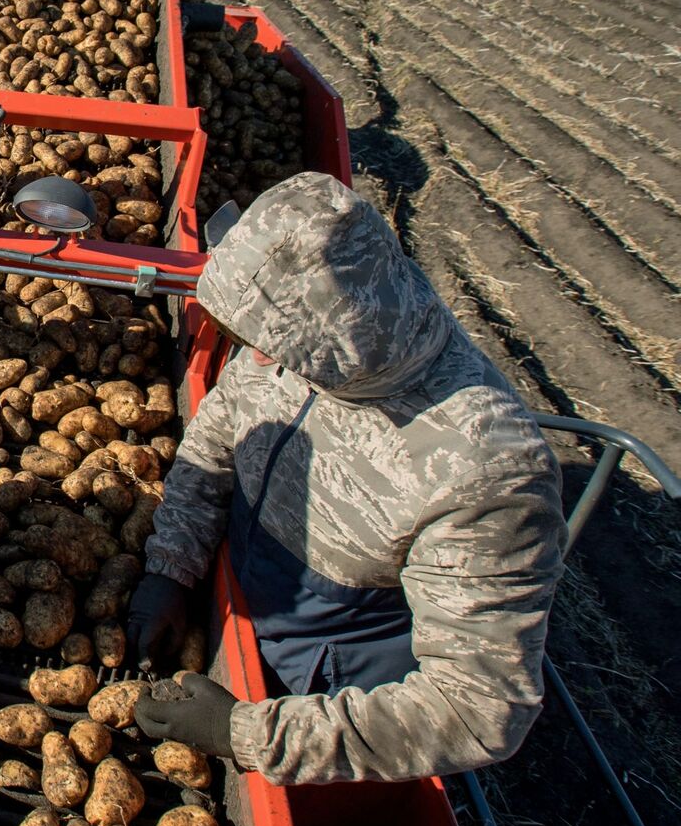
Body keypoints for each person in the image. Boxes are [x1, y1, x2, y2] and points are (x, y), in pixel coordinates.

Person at [128, 172, 565, 784]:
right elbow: (223, 427)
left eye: (269, 348)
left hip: (332, 685)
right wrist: (171, 566)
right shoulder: (296, 334)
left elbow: (478, 709)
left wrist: (249, 734)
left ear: (325, 351)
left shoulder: (487, 473)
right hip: (241, 596)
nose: (254, 360)